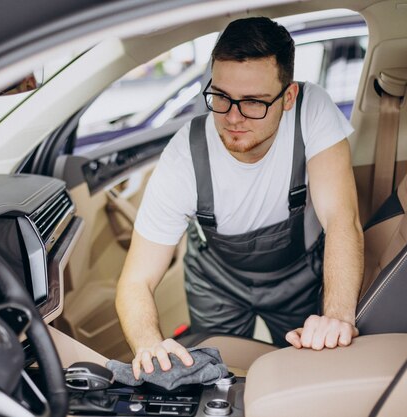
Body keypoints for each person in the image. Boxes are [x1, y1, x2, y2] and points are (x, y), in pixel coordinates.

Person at [116, 16, 363, 378]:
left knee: (310, 369)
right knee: (216, 376)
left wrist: (337, 318)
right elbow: (136, 279)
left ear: (289, 97)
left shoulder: (313, 110)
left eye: (253, 102)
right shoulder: (184, 154)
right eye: (222, 97)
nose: (233, 118)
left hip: (298, 273)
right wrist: (148, 344)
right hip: (216, 282)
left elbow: (342, 219)